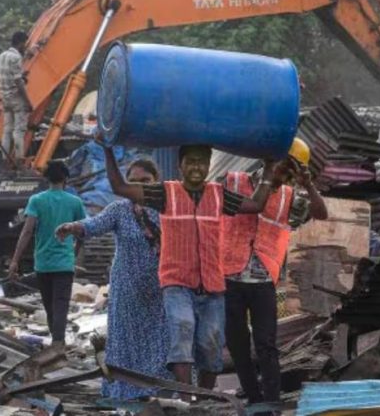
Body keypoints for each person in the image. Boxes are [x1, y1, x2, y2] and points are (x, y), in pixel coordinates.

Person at [103, 142, 276, 391]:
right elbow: (120, 187)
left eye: (202, 161)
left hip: (213, 287)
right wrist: (108, 150)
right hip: (177, 284)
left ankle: (204, 399)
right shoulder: (166, 193)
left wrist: (269, 169)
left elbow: (256, 205)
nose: (197, 166)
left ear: (208, 165)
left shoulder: (219, 195)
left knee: (212, 345)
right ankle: (186, 400)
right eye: (191, 161)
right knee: (182, 334)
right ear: (180, 165)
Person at [222, 138, 328, 411]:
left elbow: (322, 213)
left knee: (266, 344)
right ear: (269, 160)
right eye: (284, 167)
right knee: (237, 344)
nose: (285, 176)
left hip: (263, 280)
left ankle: (271, 402)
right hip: (229, 276)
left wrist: (308, 184)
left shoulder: (289, 196)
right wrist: (268, 178)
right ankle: (254, 398)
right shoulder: (232, 182)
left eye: (291, 172)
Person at [56, 159, 172, 400]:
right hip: (126, 289)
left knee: (159, 340)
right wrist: (72, 226)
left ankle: (158, 390)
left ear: (156, 182)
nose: (139, 186)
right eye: (134, 182)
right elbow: (93, 225)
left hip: (160, 289)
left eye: (145, 181)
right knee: (126, 341)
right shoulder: (119, 210)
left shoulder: (168, 209)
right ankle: (126, 392)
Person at [8, 160, 85, 350]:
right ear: (66, 178)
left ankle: (56, 344)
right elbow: (83, 232)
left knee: (50, 306)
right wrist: (74, 254)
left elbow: (26, 232)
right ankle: (58, 344)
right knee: (61, 305)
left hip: (43, 264)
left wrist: (15, 261)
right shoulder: (75, 202)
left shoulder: (37, 200)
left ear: (46, 178)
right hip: (64, 264)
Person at [0, 31, 32, 164]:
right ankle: (19, 162)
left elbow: (9, 74)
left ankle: (4, 160)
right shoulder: (16, 58)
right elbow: (18, 83)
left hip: (5, 98)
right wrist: (27, 102)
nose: (26, 47)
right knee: (19, 131)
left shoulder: (2, 56)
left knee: (7, 130)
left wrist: (22, 74)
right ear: (21, 43)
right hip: (16, 98)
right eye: (25, 44)